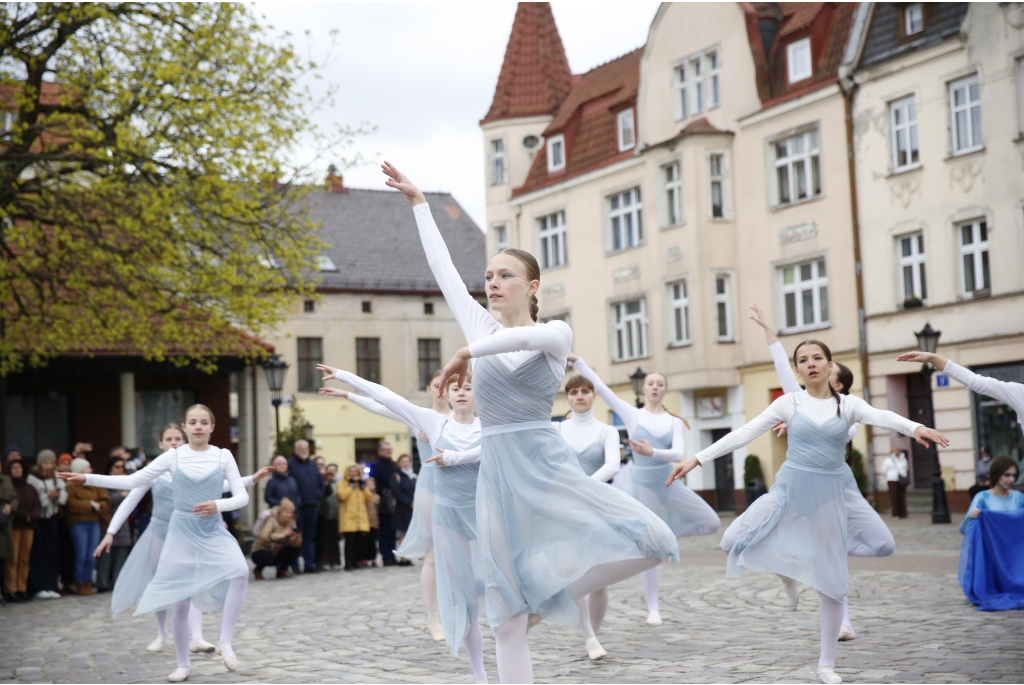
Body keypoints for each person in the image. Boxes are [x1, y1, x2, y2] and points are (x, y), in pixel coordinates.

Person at [386, 161, 679, 683]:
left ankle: (550, 598)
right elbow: (444, 272)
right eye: (490, 276)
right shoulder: (479, 322)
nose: (493, 283)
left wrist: (465, 351)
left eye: (505, 275)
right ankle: (521, 617)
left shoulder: (557, 332)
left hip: (545, 466)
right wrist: (419, 205)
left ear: (532, 285)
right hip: (495, 476)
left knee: (654, 539)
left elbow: (523, 340)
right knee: (503, 613)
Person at [668, 340, 948, 684]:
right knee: (731, 540)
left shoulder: (848, 406)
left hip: (829, 497)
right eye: (804, 360)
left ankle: (826, 665)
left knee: (834, 583)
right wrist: (697, 459)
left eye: (818, 358)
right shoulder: (789, 403)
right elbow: (743, 433)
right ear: (798, 370)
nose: (811, 364)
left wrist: (915, 427)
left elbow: (884, 416)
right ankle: (789, 569)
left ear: (830, 366)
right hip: (789, 491)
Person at [322, 363, 490, 680]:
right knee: (461, 594)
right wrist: (346, 379)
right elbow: (386, 399)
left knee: (499, 583)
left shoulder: (490, 423)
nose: (462, 392)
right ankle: (477, 671)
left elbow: (503, 446)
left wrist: (455, 457)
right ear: (445, 393)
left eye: (467, 387)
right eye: (455, 388)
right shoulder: (431, 420)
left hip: (483, 510)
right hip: (446, 509)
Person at [61, 405, 251, 682]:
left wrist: (217, 505)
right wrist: (87, 478)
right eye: (192, 422)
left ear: (212, 427)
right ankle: (183, 664)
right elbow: (133, 481)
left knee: (240, 571)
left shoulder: (224, 456)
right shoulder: (173, 457)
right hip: (181, 531)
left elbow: (241, 496)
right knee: (181, 599)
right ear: (185, 427)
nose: (198, 427)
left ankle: (225, 641)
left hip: (212, 530)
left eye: (204, 422)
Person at [750, 303, 896, 641]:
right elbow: (782, 368)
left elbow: (838, 434)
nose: (814, 369)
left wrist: (803, 427)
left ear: (840, 385)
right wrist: (769, 329)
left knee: (841, 552)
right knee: (813, 548)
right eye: (808, 363)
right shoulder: (797, 401)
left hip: (836, 487)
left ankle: (829, 594)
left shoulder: (849, 414)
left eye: (827, 370)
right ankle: (837, 616)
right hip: (802, 485)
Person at [570, 354, 720, 626]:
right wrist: (579, 363)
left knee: (711, 523)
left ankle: (665, 538)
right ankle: (653, 608)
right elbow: (602, 390)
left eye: (659, 384)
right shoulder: (633, 414)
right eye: (650, 383)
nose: (653, 387)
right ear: (645, 388)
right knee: (649, 550)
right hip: (644, 484)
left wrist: (652, 451)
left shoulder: (674, 421)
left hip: (669, 480)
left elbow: (678, 452)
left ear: (664, 389)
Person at [93, 423, 267, 656]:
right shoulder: (155, 470)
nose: (174, 442)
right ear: (161, 444)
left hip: (185, 531)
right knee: (163, 582)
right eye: (169, 439)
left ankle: (197, 637)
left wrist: (251, 480)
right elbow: (130, 499)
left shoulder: (188, 466)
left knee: (191, 584)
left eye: (177, 438)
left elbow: (220, 485)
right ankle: (161, 633)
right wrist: (111, 531)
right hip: (159, 531)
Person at [321, 373, 448, 640]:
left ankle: (461, 611)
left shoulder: (463, 414)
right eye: (436, 384)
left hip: (462, 487)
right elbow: (383, 405)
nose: (441, 389)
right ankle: (433, 618)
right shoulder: (419, 416)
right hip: (431, 488)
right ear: (428, 389)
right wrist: (348, 395)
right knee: (433, 556)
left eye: (445, 384)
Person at [553, 373, 621, 657]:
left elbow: (613, 466)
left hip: (598, 506)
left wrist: (585, 487)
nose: (579, 396)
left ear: (593, 395)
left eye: (585, 391)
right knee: (574, 569)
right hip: (566, 508)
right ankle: (589, 636)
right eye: (574, 392)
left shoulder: (607, 431)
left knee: (599, 579)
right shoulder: (557, 430)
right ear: (567, 398)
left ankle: (594, 633)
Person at [958, 455, 1024, 610]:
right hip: (993, 557)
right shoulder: (983, 497)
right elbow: (963, 529)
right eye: (1006, 475)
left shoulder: (1019, 497)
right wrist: (972, 517)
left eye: (1014, 475)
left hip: (1015, 557)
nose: (1011, 479)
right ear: (997, 474)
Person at [64, 457, 110, 596]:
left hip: (94, 521)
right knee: (81, 555)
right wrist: (90, 504)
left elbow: (105, 500)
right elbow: (72, 504)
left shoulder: (95, 483)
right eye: (86, 468)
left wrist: (99, 506)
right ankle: (80, 583)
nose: (90, 470)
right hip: (79, 523)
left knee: (92, 555)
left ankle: (88, 582)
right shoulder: (71, 486)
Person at [27, 449, 66, 599]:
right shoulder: (33, 478)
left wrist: (58, 496)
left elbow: (64, 495)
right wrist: (47, 497)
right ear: (39, 464)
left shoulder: (57, 477)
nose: (48, 466)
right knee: (39, 553)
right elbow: (34, 500)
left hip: (53, 517)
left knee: (53, 552)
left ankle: (51, 585)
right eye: (45, 463)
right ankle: (39, 586)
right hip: (40, 519)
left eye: (51, 462)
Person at [5, 457, 41, 602]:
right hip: (15, 525)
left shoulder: (29, 487)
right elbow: (11, 505)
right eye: (14, 468)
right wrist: (25, 515)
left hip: (29, 526)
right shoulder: (9, 487)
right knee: (12, 559)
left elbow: (37, 505)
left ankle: (22, 588)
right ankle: (10, 589)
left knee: (24, 559)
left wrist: (32, 516)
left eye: (19, 467)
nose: (17, 470)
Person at [95, 457, 132, 593]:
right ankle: (102, 583)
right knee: (106, 555)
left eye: (122, 466)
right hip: (108, 521)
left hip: (124, 523)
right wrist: (122, 495)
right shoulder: (106, 482)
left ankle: (118, 582)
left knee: (121, 554)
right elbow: (105, 501)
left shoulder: (127, 481)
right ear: (110, 468)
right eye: (117, 466)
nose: (120, 469)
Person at [288, 440, 324, 574]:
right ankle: (295, 565)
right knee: (296, 536)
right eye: (302, 449)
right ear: (296, 450)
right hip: (298, 507)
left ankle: (309, 564)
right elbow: (289, 484)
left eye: (306, 449)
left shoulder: (313, 464)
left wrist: (319, 497)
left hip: (313, 505)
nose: (304, 451)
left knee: (310, 536)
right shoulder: (290, 464)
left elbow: (321, 483)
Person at [251, 497, 302, 580]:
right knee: (269, 557)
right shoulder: (272, 519)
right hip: (262, 549)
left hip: (278, 550)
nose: (289, 515)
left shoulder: (292, 521)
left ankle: (281, 570)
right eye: (287, 512)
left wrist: (297, 537)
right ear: (281, 511)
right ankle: (258, 570)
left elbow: (294, 544)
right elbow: (263, 536)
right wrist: (280, 535)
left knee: (294, 549)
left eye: (291, 513)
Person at [368, 441, 400, 567]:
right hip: (382, 503)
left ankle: (392, 555)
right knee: (384, 532)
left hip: (395, 501)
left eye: (390, 450)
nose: (388, 452)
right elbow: (373, 483)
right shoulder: (375, 466)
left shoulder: (395, 465)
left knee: (393, 531)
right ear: (380, 451)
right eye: (386, 450)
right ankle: (386, 556)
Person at [337, 464, 374, 570]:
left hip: (360, 517)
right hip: (348, 517)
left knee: (358, 541)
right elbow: (342, 496)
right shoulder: (342, 483)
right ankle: (348, 563)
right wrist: (351, 487)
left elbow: (369, 497)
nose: (353, 473)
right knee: (349, 541)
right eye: (351, 471)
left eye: (356, 471)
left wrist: (363, 487)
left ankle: (355, 561)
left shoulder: (361, 485)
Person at [55, 452, 76, 595]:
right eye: (64, 463)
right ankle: (59, 583)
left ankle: (68, 582)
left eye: (69, 464)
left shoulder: (75, 479)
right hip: (58, 518)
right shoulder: (56, 479)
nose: (67, 466)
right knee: (59, 552)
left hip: (72, 520)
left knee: (71, 553)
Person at [393, 453, 417, 566]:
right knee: (403, 534)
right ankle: (403, 558)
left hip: (413, 509)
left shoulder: (412, 475)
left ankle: (408, 556)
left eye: (407, 461)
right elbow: (396, 492)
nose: (405, 463)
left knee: (410, 533)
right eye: (403, 461)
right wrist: (409, 502)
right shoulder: (397, 476)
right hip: (402, 509)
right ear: (399, 463)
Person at [317, 463, 341, 570]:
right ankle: (325, 560)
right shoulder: (322, 482)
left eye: (334, 471)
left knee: (335, 539)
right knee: (325, 539)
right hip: (325, 513)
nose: (332, 473)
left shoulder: (339, 483)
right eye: (329, 470)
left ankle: (335, 560)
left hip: (336, 514)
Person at [0, 456, 15, 608]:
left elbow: (14, 498)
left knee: (3, 561)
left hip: (4, 525)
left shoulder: (6, 479)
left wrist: (11, 506)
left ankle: (3, 592)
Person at [882, 449, 910, 520]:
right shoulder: (888, 460)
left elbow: (907, 467)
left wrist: (903, 474)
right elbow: (884, 470)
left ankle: (903, 513)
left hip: (901, 480)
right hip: (892, 479)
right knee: (894, 497)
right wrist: (889, 476)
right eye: (894, 451)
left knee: (902, 496)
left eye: (897, 451)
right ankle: (895, 514)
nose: (896, 452)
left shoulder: (903, 459)